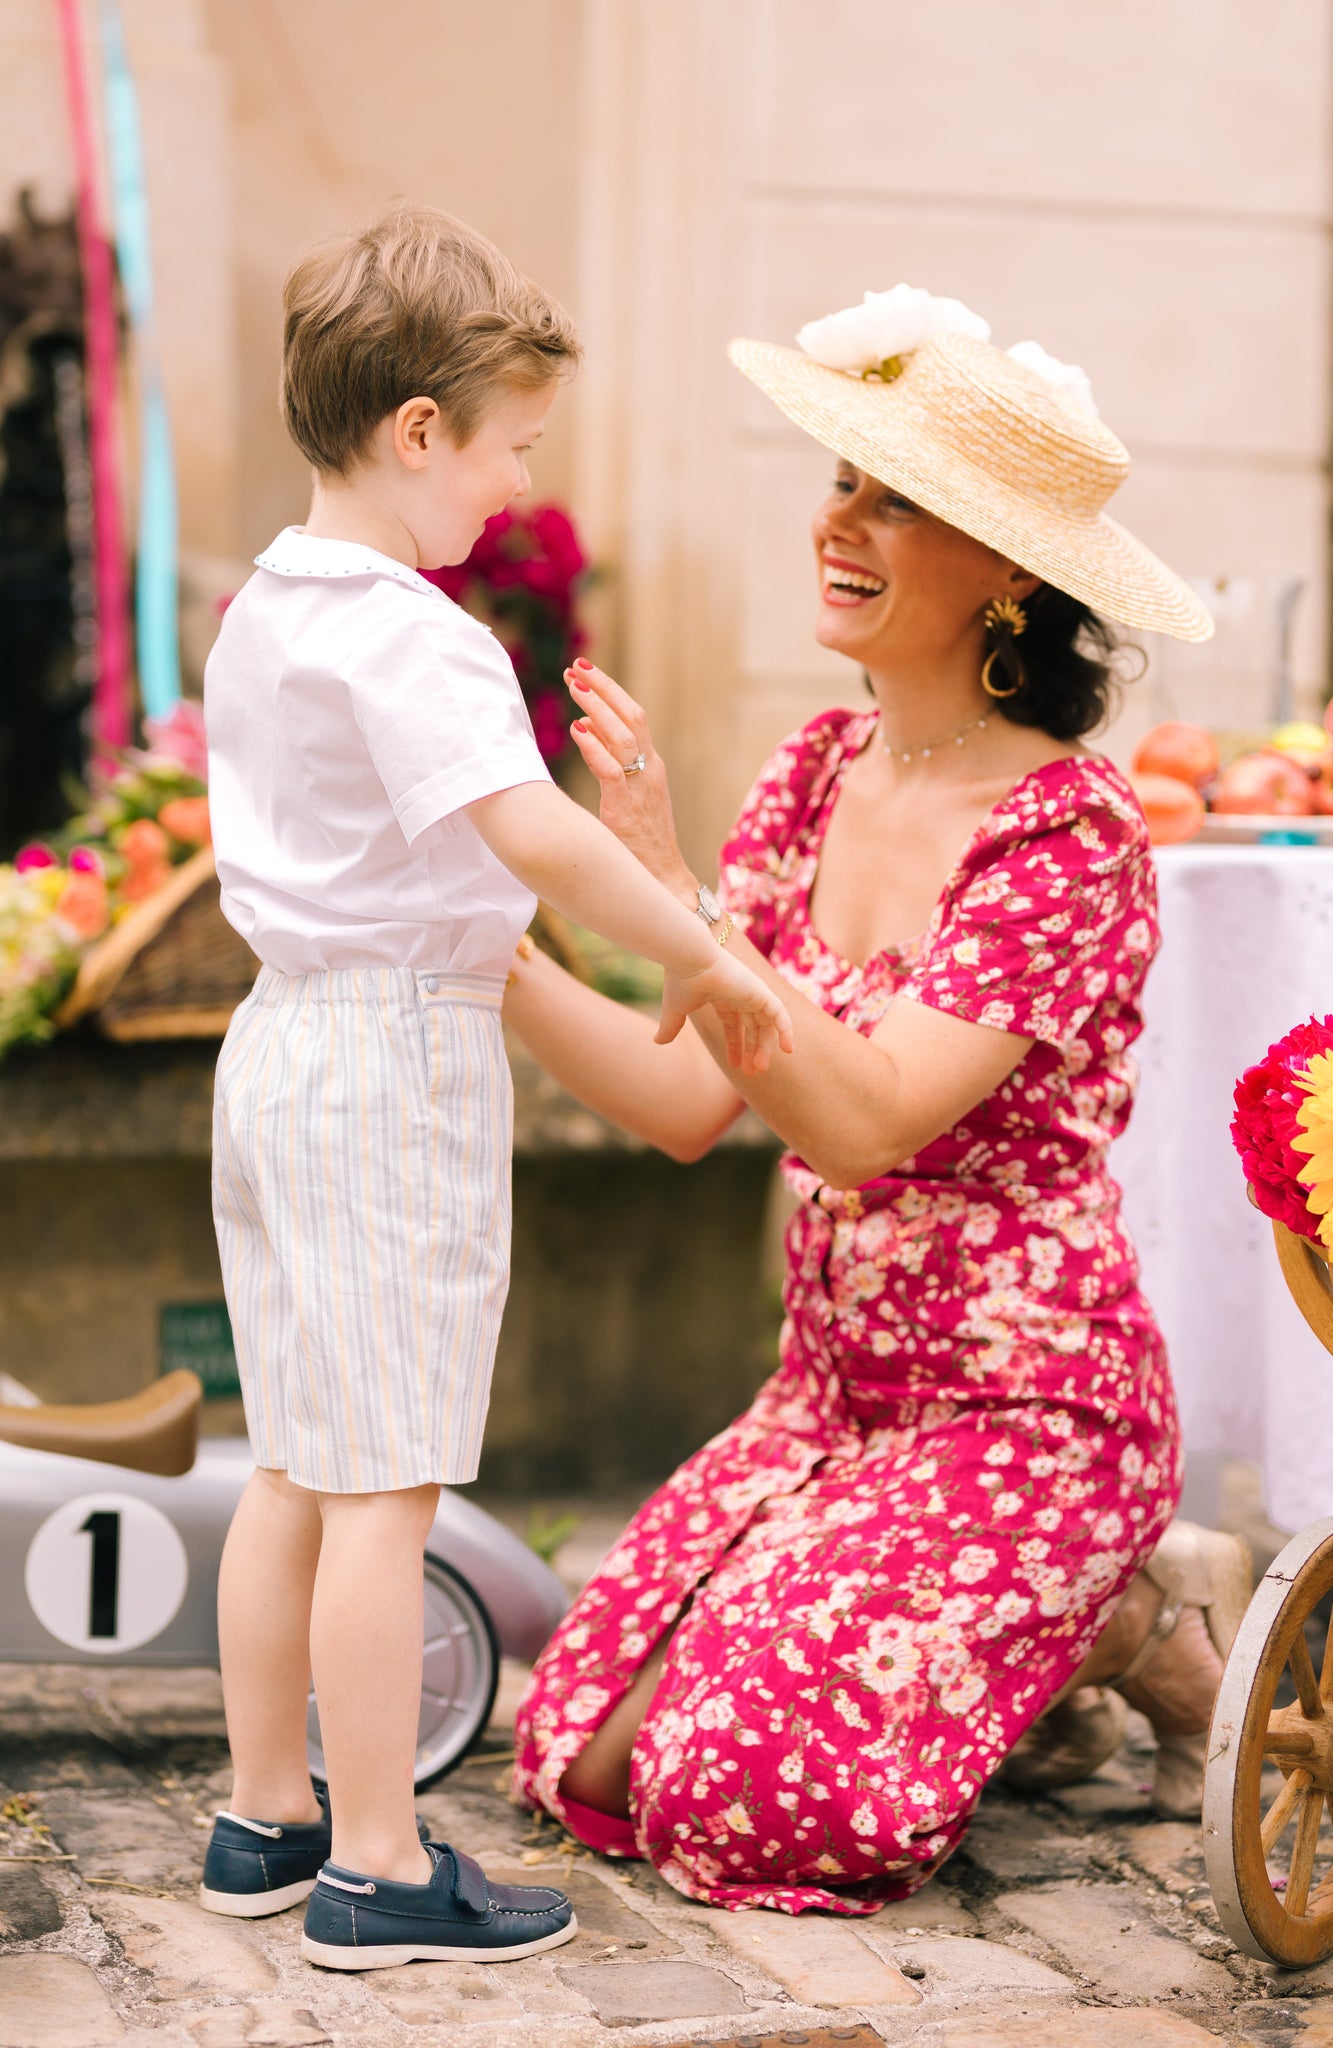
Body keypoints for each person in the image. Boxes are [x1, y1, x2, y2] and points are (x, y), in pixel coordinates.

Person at [505, 290, 1251, 1914]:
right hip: (832, 1404)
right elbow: (680, 1098)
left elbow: (860, 1123)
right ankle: (1067, 1647)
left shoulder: (1064, 836)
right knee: (582, 1753)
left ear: (1007, 577)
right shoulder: (808, 775)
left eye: (892, 499)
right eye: (842, 479)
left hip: (1026, 1414)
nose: (835, 521)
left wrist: (664, 891)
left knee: (743, 1797)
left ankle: (1127, 1619)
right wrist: (475, 946)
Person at [196, 206, 791, 1969]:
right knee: (383, 1481)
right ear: (420, 431)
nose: (510, 486)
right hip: (388, 1059)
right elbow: (523, 824)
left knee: (297, 1459)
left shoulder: (268, 611)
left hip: (283, 1042)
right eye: (511, 445)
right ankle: (378, 1860)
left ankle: (264, 1816)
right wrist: (692, 941)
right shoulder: (413, 631)